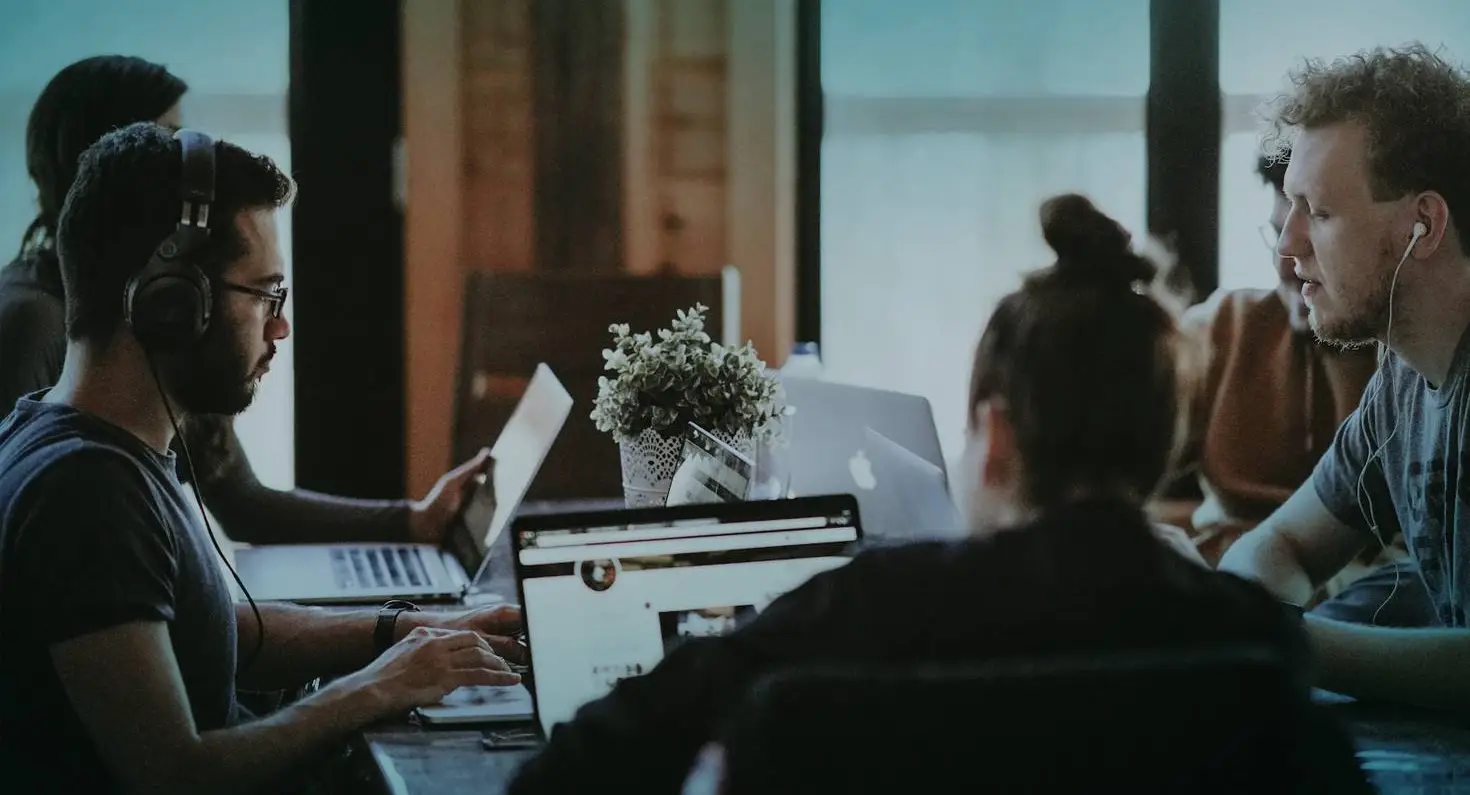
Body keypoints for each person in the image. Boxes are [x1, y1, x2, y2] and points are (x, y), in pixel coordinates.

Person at [507, 195, 1309, 794]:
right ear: (1162, 442)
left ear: (993, 439)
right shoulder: (1252, 642)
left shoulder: (864, 609)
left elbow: (577, 767)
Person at [0, 123, 525, 793]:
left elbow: (224, 630)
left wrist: (408, 630)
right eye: (265, 294)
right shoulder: (84, 492)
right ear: (171, 303)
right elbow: (175, 774)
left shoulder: (69, 434)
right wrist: (375, 689)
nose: (281, 327)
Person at [0, 54, 485, 549]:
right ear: (106, 159)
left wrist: (413, 521)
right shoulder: (36, 322)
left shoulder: (184, 311)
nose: (192, 168)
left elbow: (244, 503)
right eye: (165, 139)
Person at [1218, 43, 1470, 712]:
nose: (1286, 246)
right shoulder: (1403, 380)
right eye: (1290, 208)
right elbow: (1279, 543)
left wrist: (1280, 638)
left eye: (1320, 213)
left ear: (1425, 224)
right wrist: (1248, 618)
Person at [1156, 152, 1434, 627]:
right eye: (1277, 234)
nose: (1287, 265)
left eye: (1318, 231)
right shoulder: (1223, 327)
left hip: (1365, 601)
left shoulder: (1410, 365)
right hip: (1241, 578)